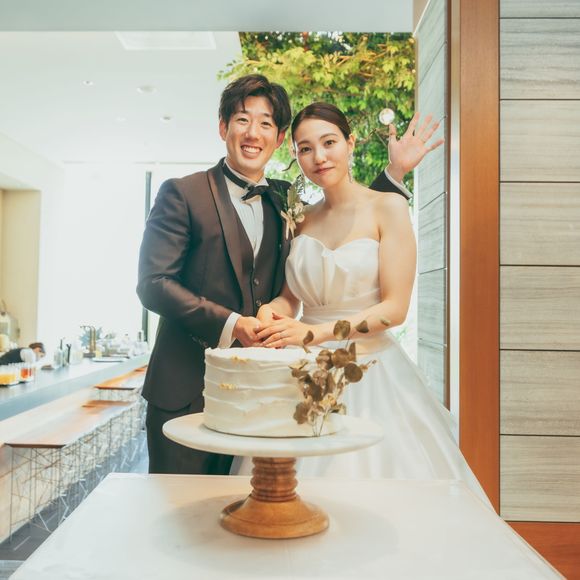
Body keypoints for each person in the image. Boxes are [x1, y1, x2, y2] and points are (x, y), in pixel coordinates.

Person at [137, 75, 435, 476]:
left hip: (291, 382)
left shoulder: (283, 201)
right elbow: (154, 284)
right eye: (242, 120)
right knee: (182, 503)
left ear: (278, 139)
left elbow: (358, 225)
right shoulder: (187, 193)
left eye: (265, 123)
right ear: (223, 127)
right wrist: (253, 317)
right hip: (189, 385)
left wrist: (394, 174)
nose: (253, 133)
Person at [242, 102, 488, 503]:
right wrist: (273, 311)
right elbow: (291, 298)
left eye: (329, 143)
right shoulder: (299, 219)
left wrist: (314, 334)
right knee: (286, 493)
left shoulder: (388, 207)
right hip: (304, 371)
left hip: (369, 371)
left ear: (350, 143)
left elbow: (395, 310)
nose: (319, 157)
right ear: (296, 155)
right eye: (306, 148)